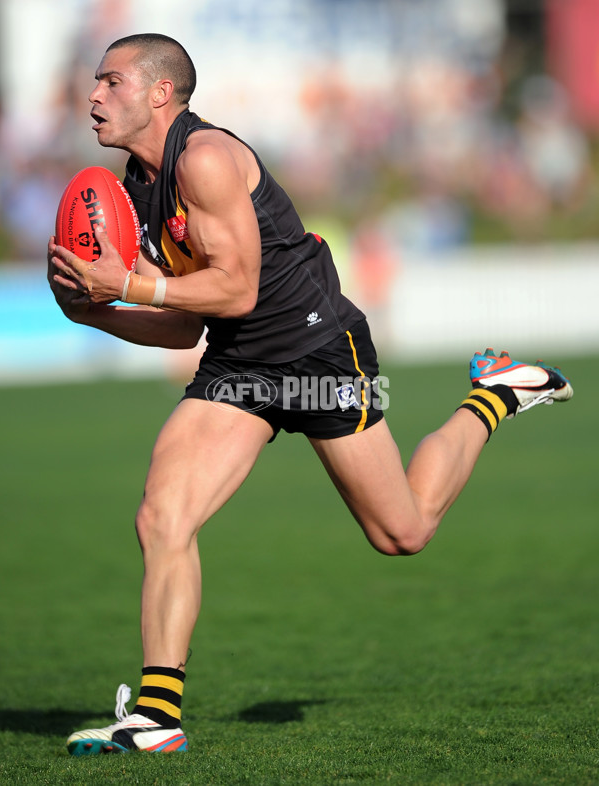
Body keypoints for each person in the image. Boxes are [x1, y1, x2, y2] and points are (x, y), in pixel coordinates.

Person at [47, 34, 573, 756]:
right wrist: (96, 310)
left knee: (403, 532)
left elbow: (237, 287)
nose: (94, 95)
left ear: (160, 92)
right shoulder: (137, 185)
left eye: (110, 81)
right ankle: (157, 717)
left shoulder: (205, 159)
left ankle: (496, 394)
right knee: (162, 517)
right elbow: (186, 328)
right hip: (240, 365)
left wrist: (126, 284)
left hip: (318, 352)